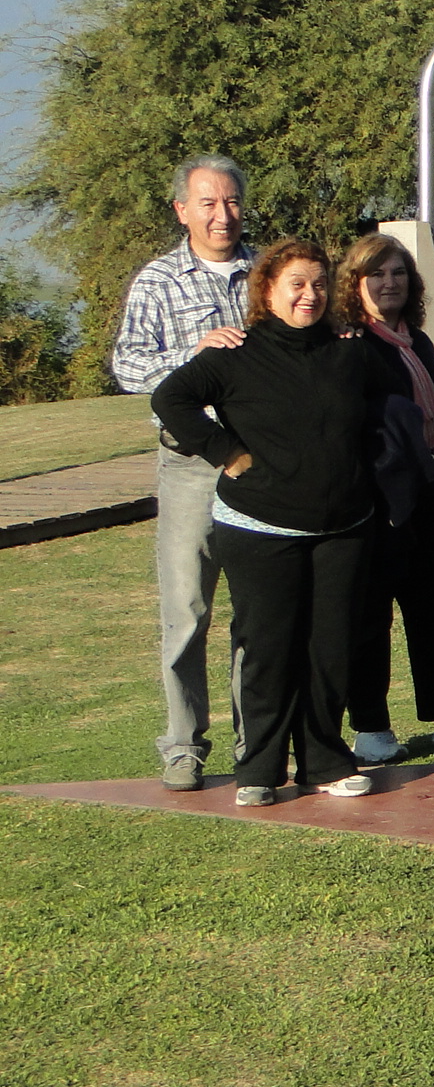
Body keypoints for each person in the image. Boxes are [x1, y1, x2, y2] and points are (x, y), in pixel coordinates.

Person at [151, 239, 379, 807]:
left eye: (319, 283)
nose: (310, 295)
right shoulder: (236, 353)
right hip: (259, 527)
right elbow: (171, 398)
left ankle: (325, 761)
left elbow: (382, 412)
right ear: (267, 291)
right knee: (268, 649)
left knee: (330, 650)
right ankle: (259, 769)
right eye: (296, 284)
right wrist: (224, 451)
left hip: (343, 528)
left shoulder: (350, 350)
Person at [110, 156, 256, 791]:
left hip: (260, 464)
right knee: (188, 608)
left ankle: (258, 742)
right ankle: (183, 745)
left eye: (232, 201)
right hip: (191, 464)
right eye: (208, 203)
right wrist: (192, 355)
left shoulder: (269, 272)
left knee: (258, 611)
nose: (222, 215)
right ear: (181, 210)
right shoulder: (158, 280)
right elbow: (128, 366)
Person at [332, 234, 434, 765]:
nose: (389, 283)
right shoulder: (350, 344)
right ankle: (371, 726)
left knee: (433, 611)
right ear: (355, 283)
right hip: (379, 502)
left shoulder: (419, 342)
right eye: (376, 274)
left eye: (398, 273)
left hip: (429, 494)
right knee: (371, 619)